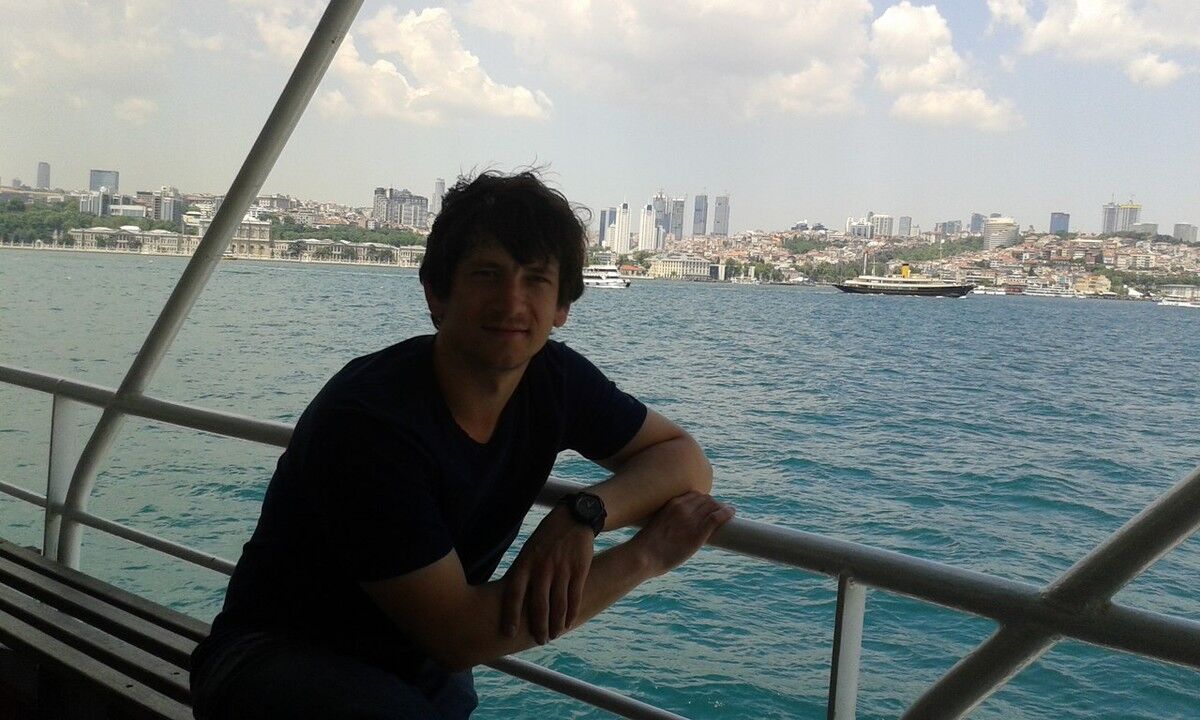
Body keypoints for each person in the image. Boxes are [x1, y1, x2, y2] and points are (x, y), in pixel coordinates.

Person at [190, 170, 734, 719]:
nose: (512, 302)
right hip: (275, 656)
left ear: (562, 307)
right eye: (487, 274)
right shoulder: (369, 420)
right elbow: (459, 635)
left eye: (536, 279)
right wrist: (646, 555)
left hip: (418, 667)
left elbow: (685, 460)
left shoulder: (554, 379)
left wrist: (584, 514)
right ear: (437, 293)